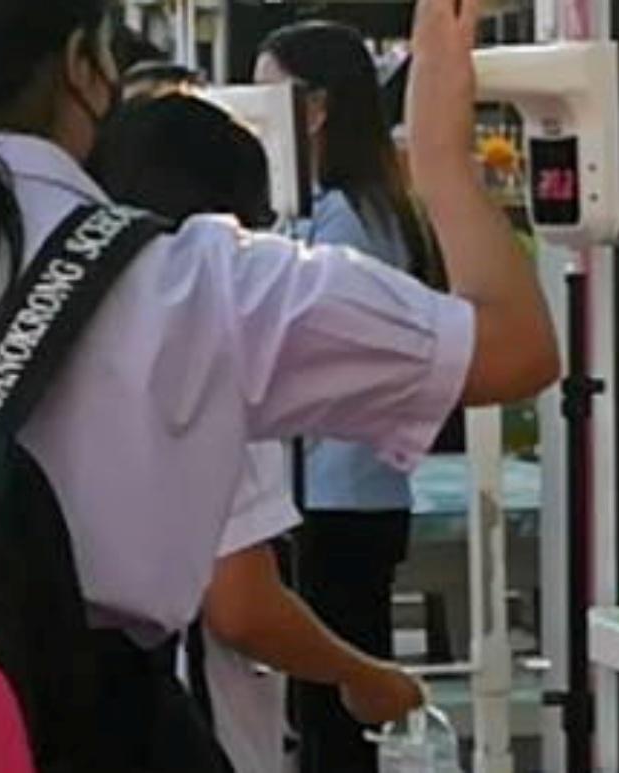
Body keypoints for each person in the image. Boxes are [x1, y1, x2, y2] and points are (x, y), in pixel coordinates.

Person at [0, 0, 558, 768]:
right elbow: (514, 349)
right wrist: (438, 156)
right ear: (84, 65)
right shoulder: (199, 284)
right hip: (107, 733)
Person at [90, 92, 421, 773]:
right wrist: (364, 674)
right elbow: (241, 605)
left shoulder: (70, 342)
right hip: (195, 734)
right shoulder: (207, 352)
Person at [253, 21, 445, 772]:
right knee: (330, 707)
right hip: (340, 490)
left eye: (268, 95)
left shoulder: (347, 219)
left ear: (316, 108)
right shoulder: (344, 207)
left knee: (336, 711)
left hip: (337, 496)